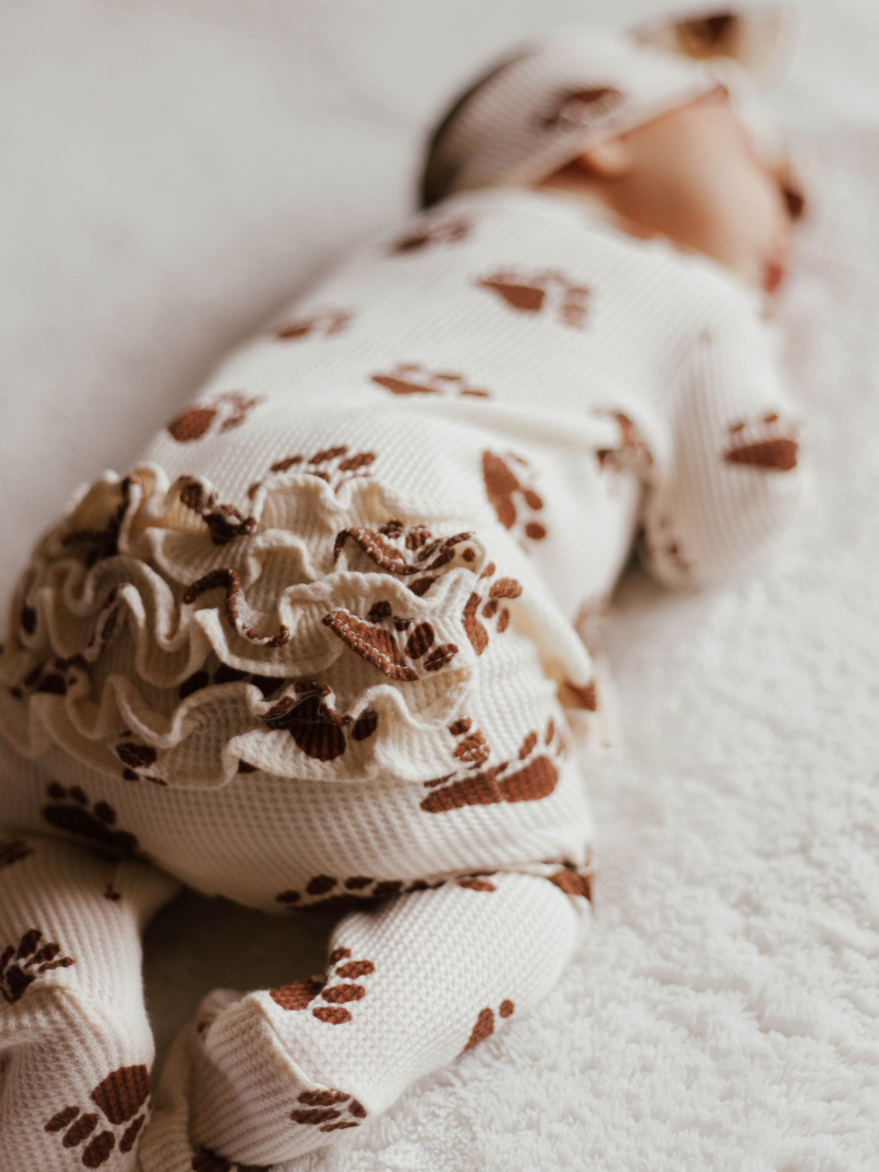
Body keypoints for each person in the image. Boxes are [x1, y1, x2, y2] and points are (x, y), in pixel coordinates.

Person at [0, 9, 806, 1168]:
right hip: (382, 595)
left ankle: (62, 1016)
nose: (790, 210)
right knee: (534, 879)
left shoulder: (392, 260)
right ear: (600, 132)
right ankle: (313, 1055)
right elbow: (727, 523)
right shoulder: (678, 292)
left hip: (118, 573)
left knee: (41, 830)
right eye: (774, 172)